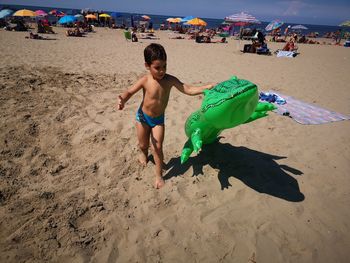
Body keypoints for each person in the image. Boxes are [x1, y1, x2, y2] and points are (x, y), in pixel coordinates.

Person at [117, 43, 214, 189]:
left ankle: (159, 175)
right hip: (143, 117)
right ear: (147, 66)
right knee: (143, 144)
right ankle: (143, 154)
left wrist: (204, 88)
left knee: (157, 147)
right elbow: (130, 91)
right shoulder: (145, 80)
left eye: (164, 66)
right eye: (157, 67)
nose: (162, 71)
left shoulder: (169, 80)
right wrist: (122, 99)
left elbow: (186, 88)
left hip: (158, 121)